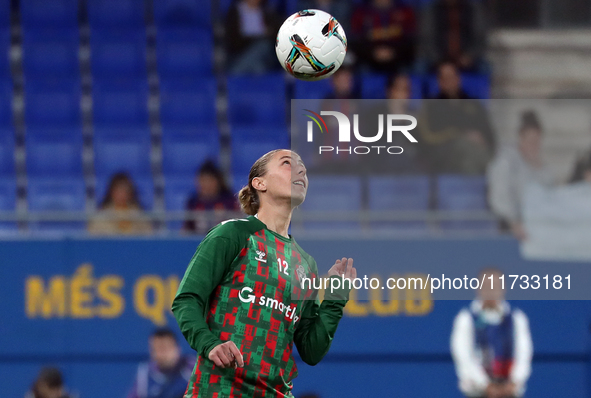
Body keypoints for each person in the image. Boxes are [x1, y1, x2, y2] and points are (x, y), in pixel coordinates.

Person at [172, 149, 356, 397]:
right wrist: (209, 343)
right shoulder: (233, 234)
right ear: (259, 183)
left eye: (303, 167)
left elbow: (311, 351)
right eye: (287, 163)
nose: (301, 170)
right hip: (218, 391)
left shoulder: (305, 264)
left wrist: (335, 300)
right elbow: (186, 299)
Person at [451, 268, 533, 398]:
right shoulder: (465, 319)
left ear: (503, 288)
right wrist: (486, 386)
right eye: (486, 286)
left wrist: (513, 382)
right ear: (478, 288)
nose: (491, 291)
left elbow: (524, 354)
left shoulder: (517, 318)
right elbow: (464, 357)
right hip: (477, 393)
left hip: (510, 393)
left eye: (495, 286)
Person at [417, 61, 495, 174]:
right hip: (444, 157)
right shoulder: (431, 107)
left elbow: (489, 135)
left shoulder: (474, 105)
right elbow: (428, 138)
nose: (449, 81)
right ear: (440, 82)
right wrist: (462, 135)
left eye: (452, 76)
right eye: (445, 78)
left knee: (473, 160)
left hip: (475, 155)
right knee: (464, 148)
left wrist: (482, 140)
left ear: (458, 78)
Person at [488, 111, 554, 240]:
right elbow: (499, 196)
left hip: (536, 222)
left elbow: (549, 195)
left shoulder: (543, 167)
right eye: (530, 141)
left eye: (537, 141)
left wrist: (537, 168)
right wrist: (513, 222)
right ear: (521, 138)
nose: (534, 146)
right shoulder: (505, 161)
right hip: (508, 225)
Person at [419, 0, 487, 73]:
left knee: (485, 68)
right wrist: (439, 61)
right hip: (438, 59)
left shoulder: (473, 9)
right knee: (419, 68)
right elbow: (427, 39)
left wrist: (470, 56)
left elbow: (479, 38)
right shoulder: (431, 10)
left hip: (467, 57)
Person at [350, 0, 417, 73]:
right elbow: (356, 40)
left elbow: (411, 39)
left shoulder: (405, 11)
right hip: (368, 59)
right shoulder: (361, 12)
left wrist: (394, 52)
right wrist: (372, 52)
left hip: (399, 59)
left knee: (417, 67)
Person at [127, 328, 195, 398]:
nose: (161, 354)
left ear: (177, 348)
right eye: (157, 349)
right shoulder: (145, 374)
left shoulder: (194, 368)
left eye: (165, 348)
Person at [225, 0, 281, 74]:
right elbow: (233, 39)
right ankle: (235, 73)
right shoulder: (234, 13)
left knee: (264, 45)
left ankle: (234, 73)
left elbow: (275, 32)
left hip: (265, 52)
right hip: (241, 52)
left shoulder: (267, 11)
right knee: (258, 67)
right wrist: (255, 38)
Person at [88, 172, 153, 235]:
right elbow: (92, 239)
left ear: (130, 193)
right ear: (111, 192)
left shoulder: (140, 216)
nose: (122, 195)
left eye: (125, 191)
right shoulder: (100, 217)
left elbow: (149, 237)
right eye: (118, 191)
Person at [184, 160, 239, 234]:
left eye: (210, 180)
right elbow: (186, 229)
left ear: (218, 181)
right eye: (203, 180)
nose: (207, 185)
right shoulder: (193, 202)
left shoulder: (229, 201)